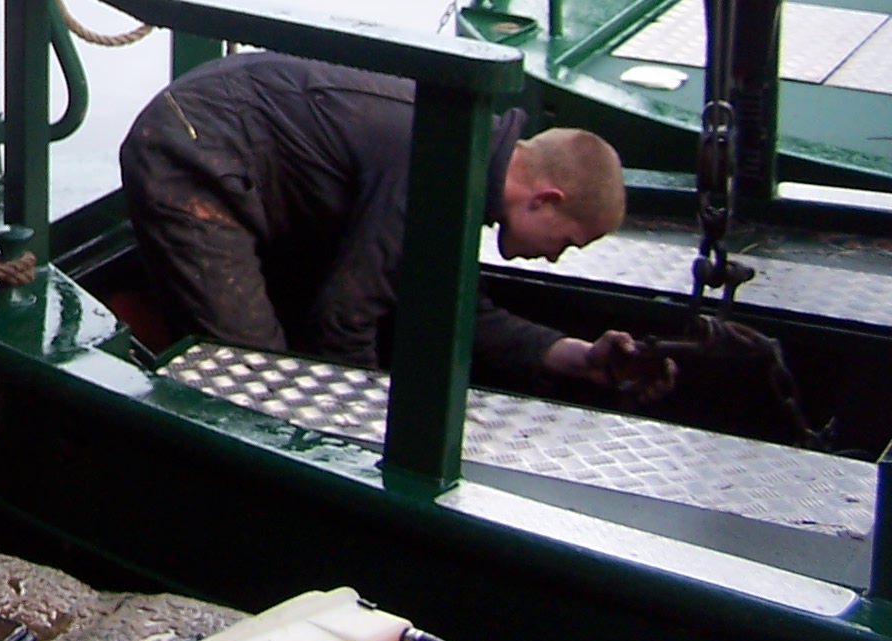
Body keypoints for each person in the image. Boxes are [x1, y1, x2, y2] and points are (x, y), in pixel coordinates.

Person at [118, 51, 652, 391]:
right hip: (195, 154)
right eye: (569, 242)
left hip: (247, 155)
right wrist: (363, 433)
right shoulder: (439, 164)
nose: (555, 256)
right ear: (546, 199)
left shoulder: (466, 153)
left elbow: (452, 306)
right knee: (256, 382)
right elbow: (343, 321)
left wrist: (576, 357)